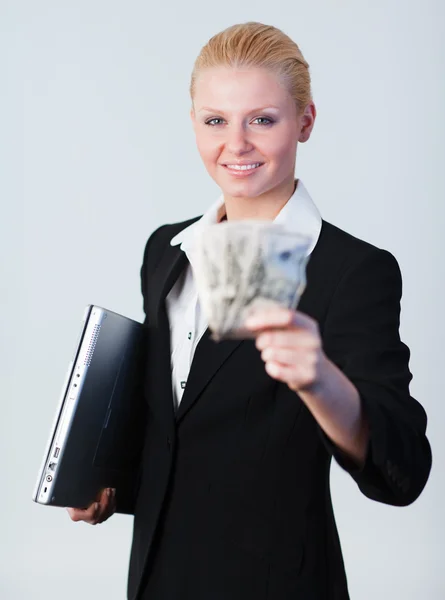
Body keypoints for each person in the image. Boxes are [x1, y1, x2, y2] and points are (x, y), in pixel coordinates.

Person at [68, 21, 432, 600]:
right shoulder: (166, 252)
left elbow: (405, 471)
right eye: (216, 120)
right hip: (157, 579)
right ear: (193, 124)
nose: (235, 144)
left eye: (262, 119)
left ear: (305, 122)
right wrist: (112, 482)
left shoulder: (351, 270)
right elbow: (183, 432)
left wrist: (321, 382)